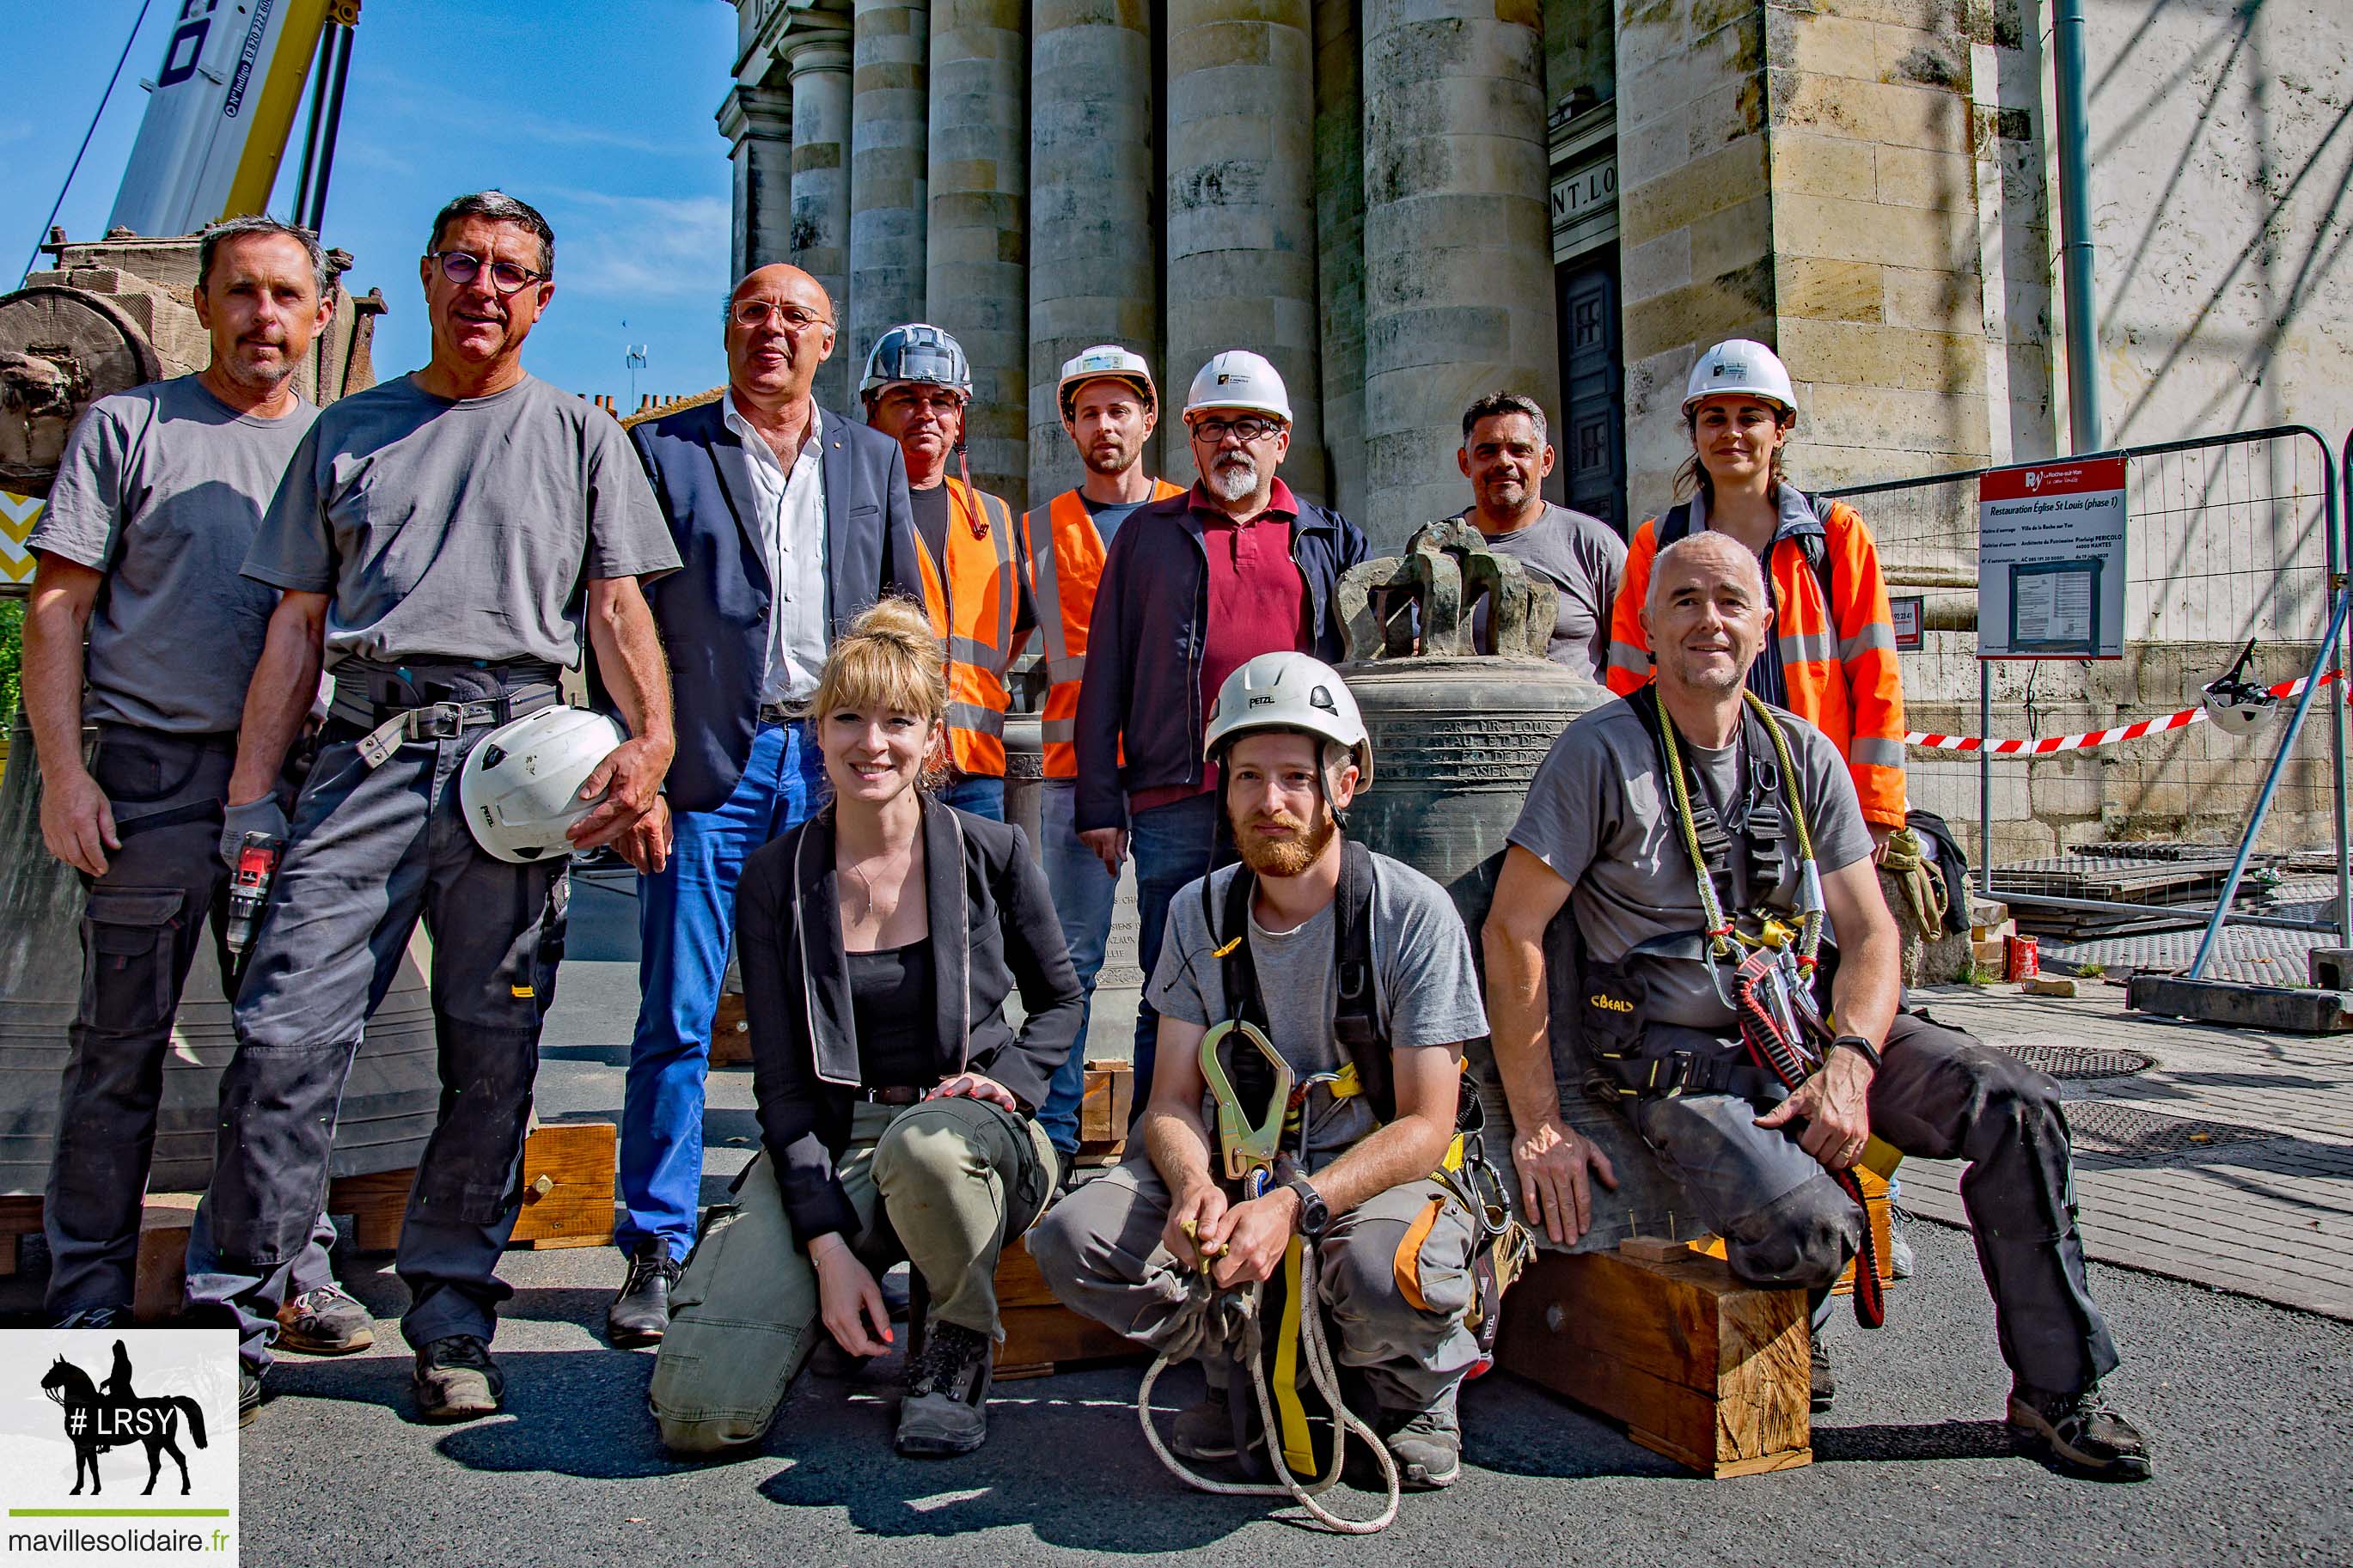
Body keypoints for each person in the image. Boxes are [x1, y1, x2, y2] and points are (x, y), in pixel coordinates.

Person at [1482, 532, 2150, 1482]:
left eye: (1727, 601)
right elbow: (1512, 930)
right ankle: (1800, 1297)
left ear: (1765, 625)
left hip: (1803, 1026)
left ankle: (2055, 1390)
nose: (1706, 620)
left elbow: (1871, 934)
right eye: (1681, 601)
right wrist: (1539, 1122)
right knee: (1812, 1231)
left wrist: (1850, 1060)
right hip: (1682, 1057)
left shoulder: (1804, 755)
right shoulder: (1599, 753)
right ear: (1645, 625)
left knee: (2017, 1106)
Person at [184, 192, 681, 1425]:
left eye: (512, 270)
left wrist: (653, 747)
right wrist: (254, 803)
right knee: (286, 1035)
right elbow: (297, 626)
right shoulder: (349, 431)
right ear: (425, 275)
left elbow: (619, 612)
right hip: (364, 757)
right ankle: (230, 1317)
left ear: (541, 299)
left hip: (518, 774)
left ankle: (452, 1318)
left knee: (492, 1055)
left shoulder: (579, 436)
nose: (485, 286)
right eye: (464, 262)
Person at [22, 215, 365, 1351]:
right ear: (209, 305)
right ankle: (85, 1284)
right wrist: (65, 776)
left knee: (289, 1047)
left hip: (296, 790)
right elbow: (60, 606)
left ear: (320, 315)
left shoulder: (334, 448)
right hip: (153, 778)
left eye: (285, 297)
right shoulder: (131, 428)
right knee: (120, 1043)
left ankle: (292, 1270)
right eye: (244, 294)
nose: (265, 318)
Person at [1033, 652, 1490, 1493]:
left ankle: (1410, 1386)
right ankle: (1233, 1355)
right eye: (1247, 776)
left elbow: (1427, 1124)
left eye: (1293, 777)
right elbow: (1169, 1098)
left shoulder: (1409, 915)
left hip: (1367, 1183)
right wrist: (1191, 1184)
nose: (1268, 802)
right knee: (1072, 1237)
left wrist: (1297, 1203)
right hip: (1241, 1173)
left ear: (1344, 785)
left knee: (1380, 1271)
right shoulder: (1197, 912)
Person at [648, 598, 1080, 1459]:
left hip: (968, 1137)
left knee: (925, 1147)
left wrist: (1015, 1085)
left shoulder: (991, 852)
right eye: (848, 717)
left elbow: (1063, 999)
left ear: (931, 740)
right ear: (818, 731)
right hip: (837, 1139)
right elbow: (779, 1083)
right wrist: (824, 1249)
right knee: (699, 1414)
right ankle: (813, 1309)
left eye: (897, 721)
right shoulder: (777, 876)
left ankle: (952, 1345)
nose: (869, 742)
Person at [606, 264, 921, 1346]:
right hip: (708, 767)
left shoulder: (872, 459)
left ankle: (833, 1223)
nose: (772, 330)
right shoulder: (663, 453)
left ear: (828, 341)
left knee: (844, 1005)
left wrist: (898, 762)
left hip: (834, 762)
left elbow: (898, 623)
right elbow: (613, 614)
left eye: (795, 316)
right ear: (728, 328)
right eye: (753, 311)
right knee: (679, 1010)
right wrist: (636, 763)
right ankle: (656, 1237)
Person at [1073, 351, 1368, 1110]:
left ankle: (1286, 1133)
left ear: (1282, 440)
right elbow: (1106, 667)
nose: (1232, 442)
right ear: (1191, 438)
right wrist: (1100, 800)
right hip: (1176, 792)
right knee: (1170, 978)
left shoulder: (1327, 538)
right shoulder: (1147, 535)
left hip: (1291, 794)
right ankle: (1158, 1141)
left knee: (1298, 969)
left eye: (1252, 426)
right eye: (1213, 427)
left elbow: (1357, 672)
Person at [1604, 339, 1907, 852]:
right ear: (1695, 431)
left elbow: (1876, 677)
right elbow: (1628, 680)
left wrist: (1874, 811)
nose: (1732, 433)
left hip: (1811, 793)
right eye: (1714, 417)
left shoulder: (1833, 537)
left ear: (1780, 429)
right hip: (1689, 792)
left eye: (1750, 416)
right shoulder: (1656, 545)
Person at [1022, 345, 1185, 1169]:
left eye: (1121, 409)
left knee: (1176, 963)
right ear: (1071, 426)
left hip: (1167, 779)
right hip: (1068, 783)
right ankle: (1053, 1136)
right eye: (1089, 411)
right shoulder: (1037, 530)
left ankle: (1166, 1136)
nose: (1106, 424)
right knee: (1073, 965)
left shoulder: (1187, 517)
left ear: (1149, 419)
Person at [859, 323, 1028, 821]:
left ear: (960, 417)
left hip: (976, 765)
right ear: (873, 411)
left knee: (973, 898)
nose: (926, 414)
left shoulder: (991, 516)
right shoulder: (849, 510)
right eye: (906, 398)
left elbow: (1017, 628)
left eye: (943, 400)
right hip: (883, 762)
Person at [1452, 391, 1624, 680]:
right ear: (1465, 462)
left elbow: (1636, 655)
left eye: (1520, 450)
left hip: (1576, 722)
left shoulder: (1595, 546)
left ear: (1545, 461)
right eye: (1487, 451)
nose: (1504, 462)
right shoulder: (1437, 550)